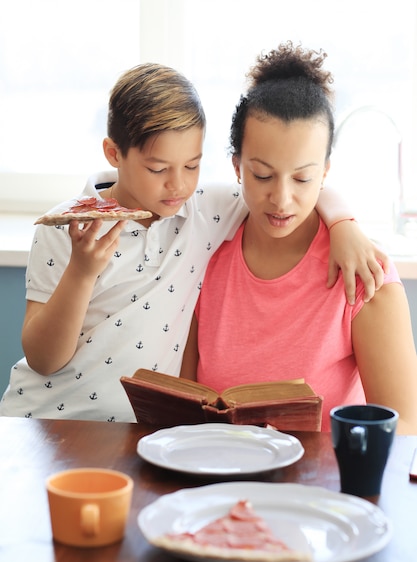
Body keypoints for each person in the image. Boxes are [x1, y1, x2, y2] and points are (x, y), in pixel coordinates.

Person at [0, 61, 388, 422]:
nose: (178, 184)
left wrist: (344, 224)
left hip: (136, 434)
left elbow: (284, 186)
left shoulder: (205, 212)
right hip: (43, 422)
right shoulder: (67, 227)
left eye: (192, 165)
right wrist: (82, 274)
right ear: (114, 153)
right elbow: (43, 359)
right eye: (158, 169)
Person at [180, 43, 417, 435]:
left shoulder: (363, 273)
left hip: (323, 489)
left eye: (303, 178)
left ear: (325, 173)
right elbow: (184, 412)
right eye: (262, 175)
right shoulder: (207, 257)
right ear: (237, 167)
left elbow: (405, 426)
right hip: (222, 481)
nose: (281, 199)